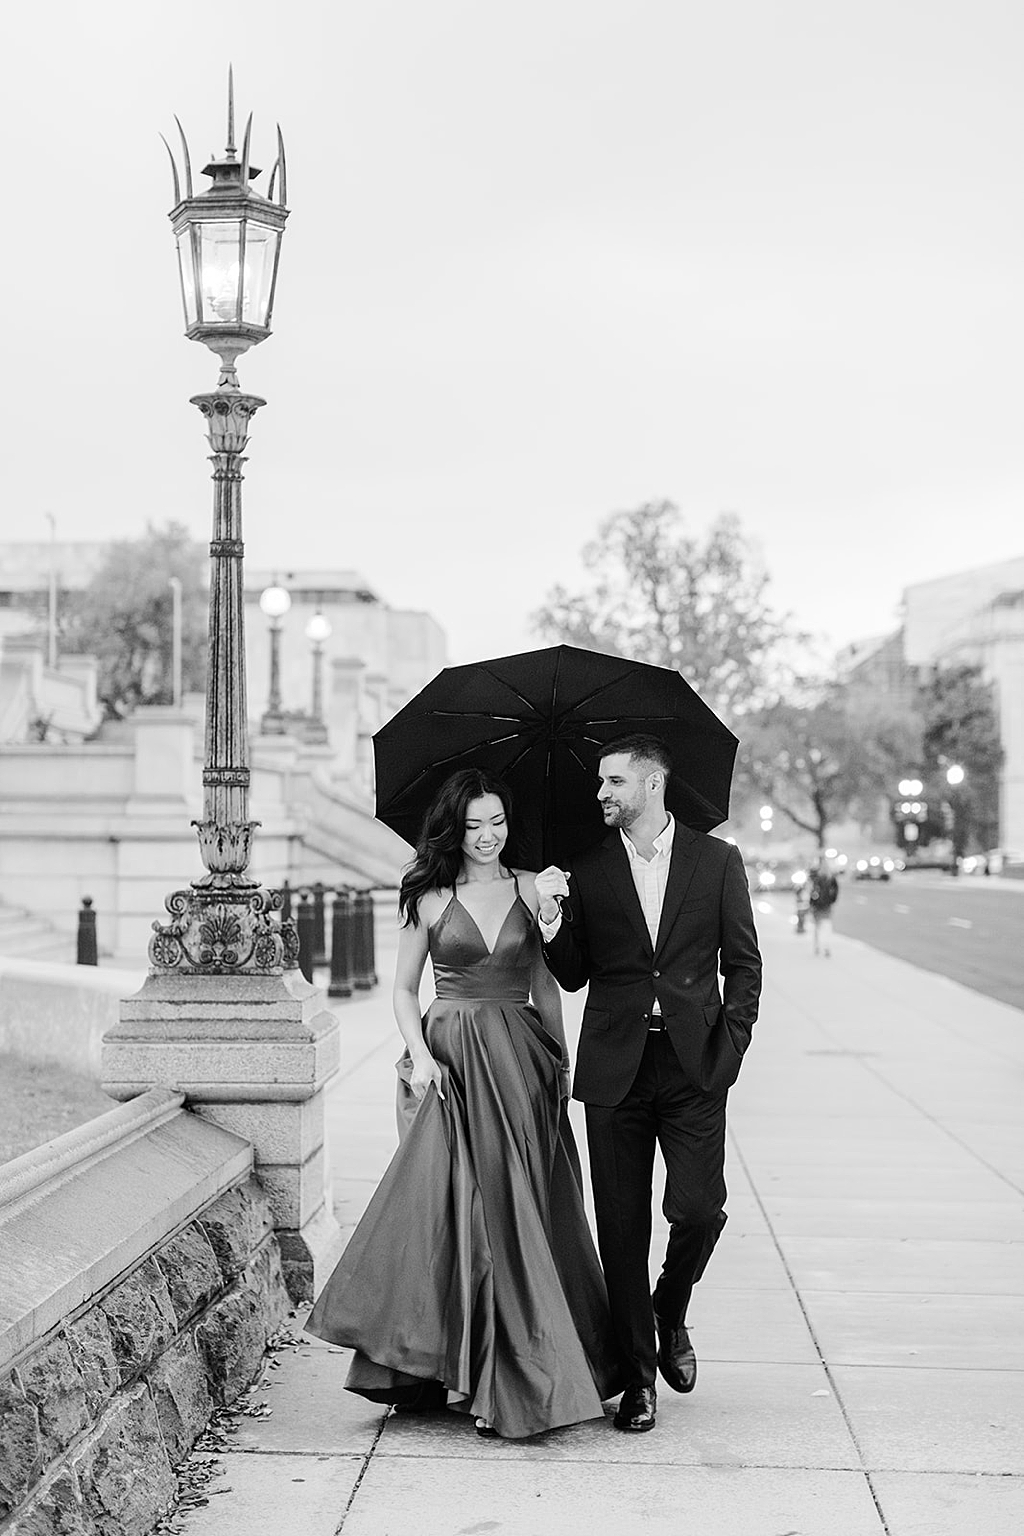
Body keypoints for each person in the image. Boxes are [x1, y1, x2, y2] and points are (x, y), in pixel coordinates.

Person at [306, 768, 623, 1440]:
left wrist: (559, 1068)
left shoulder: (536, 886)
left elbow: (545, 984)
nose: (488, 835)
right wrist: (419, 1055)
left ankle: (514, 1374)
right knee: (457, 1213)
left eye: (498, 821)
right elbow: (401, 990)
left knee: (514, 1212)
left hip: (518, 1063)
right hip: (449, 1061)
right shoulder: (427, 896)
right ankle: (462, 1367)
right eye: (475, 824)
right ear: (456, 827)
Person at [536, 734, 762, 1434]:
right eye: (600, 783)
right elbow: (573, 972)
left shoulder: (718, 862)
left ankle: (670, 1307)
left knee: (698, 1210)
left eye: (613, 781)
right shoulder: (586, 867)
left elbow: (744, 965)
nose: (601, 793)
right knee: (623, 1230)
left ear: (653, 782)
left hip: (695, 1066)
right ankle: (638, 1380)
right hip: (615, 1071)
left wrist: (729, 1050)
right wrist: (550, 916)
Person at [807, 853, 839, 956]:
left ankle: (818, 946)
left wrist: (811, 903)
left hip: (818, 905)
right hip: (826, 905)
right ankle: (826, 946)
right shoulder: (831, 879)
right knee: (826, 926)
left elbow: (812, 892)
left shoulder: (817, 878)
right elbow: (835, 892)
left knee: (818, 927)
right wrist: (832, 901)